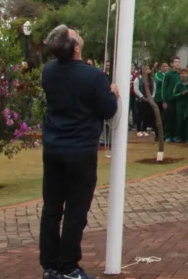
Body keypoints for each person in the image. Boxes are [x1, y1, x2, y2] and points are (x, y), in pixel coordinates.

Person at [40, 25, 119, 279]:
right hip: (80, 152)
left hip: (53, 149)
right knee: (75, 211)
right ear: (75, 47)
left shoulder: (48, 71)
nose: (78, 32)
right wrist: (112, 95)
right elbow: (108, 110)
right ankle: (69, 267)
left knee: (52, 209)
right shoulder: (94, 76)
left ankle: (50, 266)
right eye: (75, 33)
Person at [161, 57, 181, 143]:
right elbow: (164, 87)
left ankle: (175, 135)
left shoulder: (179, 74)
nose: (177, 64)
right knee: (169, 118)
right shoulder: (168, 74)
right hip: (169, 100)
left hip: (177, 99)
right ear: (172, 64)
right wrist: (164, 100)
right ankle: (168, 135)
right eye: (175, 62)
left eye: (178, 62)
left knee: (176, 118)